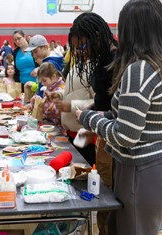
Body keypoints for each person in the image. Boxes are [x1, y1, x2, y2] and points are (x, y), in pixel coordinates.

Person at [76, 1, 162, 234]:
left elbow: (125, 135)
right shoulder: (152, 66)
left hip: (139, 170)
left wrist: (88, 118)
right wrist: (95, 115)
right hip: (144, 167)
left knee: (132, 229)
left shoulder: (140, 70)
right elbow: (126, 116)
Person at [58, 12, 117, 235]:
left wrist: (72, 108)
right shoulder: (96, 61)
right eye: (75, 47)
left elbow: (104, 107)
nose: (80, 51)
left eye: (82, 45)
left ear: (95, 36)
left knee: (109, 202)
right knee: (103, 200)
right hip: (99, 136)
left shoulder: (113, 61)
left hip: (111, 141)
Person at [29, 62, 65, 130]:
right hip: (50, 125)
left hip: (59, 128)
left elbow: (58, 112)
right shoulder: (49, 87)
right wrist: (38, 101)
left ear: (54, 76)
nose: (42, 83)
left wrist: (44, 103)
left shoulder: (61, 89)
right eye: (41, 81)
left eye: (44, 81)